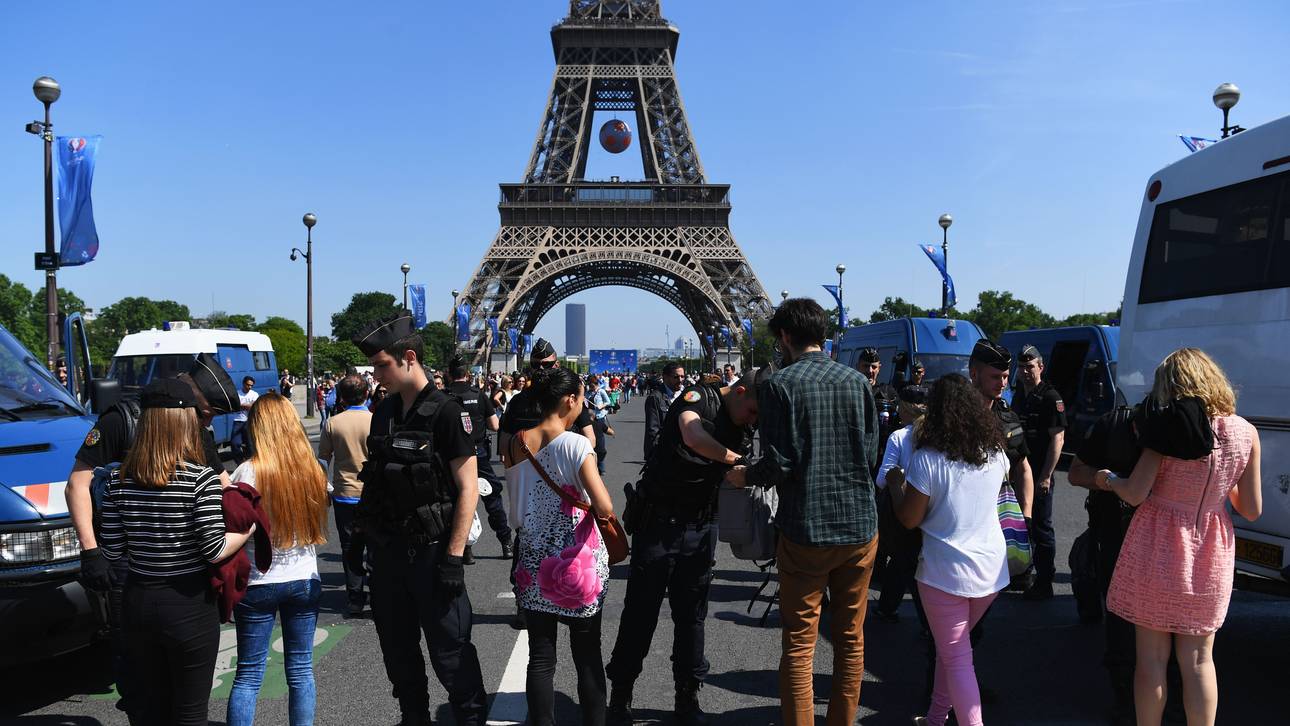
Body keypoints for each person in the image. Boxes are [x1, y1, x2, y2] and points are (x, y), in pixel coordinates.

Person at [735, 298, 879, 726]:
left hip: (807, 529)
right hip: (859, 526)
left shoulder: (780, 385)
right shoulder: (858, 382)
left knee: (800, 644)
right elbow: (870, 454)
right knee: (851, 640)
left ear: (784, 337)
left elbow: (779, 463)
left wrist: (744, 476)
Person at [1102, 348, 1261, 726]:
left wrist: (1107, 479)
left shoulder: (1169, 429)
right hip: (1211, 548)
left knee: (1152, 660)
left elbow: (1136, 492)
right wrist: (1217, 489)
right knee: (1199, 660)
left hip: (1159, 544)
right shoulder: (1246, 432)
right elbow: (1251, 509)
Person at [344, 311, 486, 726]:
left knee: (451, 655)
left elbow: (468, 487)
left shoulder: (446, 412)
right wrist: (359, 537)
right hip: (389, 555)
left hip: (432, 553)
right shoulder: (384, 413)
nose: (375, 374)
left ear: (408, 357)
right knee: (399, 653)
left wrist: (454, 557)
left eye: (381, 365)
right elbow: (376, 479)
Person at [68, 373, 232, 723]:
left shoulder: (116, 481)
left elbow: (113, 548)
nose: (206, 421)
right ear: (186, 417)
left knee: (148, 706)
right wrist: (246, 529)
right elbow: (213, 548)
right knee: (188, 711)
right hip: (189, 602)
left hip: (137, 598)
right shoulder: (197, 479)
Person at [607, 370, 760, 726]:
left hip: (700, 526)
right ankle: (621, 695)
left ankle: (687, 695)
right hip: (659, 525)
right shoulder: (697, 397)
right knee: (639, 615)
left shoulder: (744, 424)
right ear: (739, 392)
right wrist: (734, 460)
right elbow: (692, 435)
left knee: (691, 619)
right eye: (752, 411)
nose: (752, 420)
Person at [887, 374, 1011, 726]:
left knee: (956, 656)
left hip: (945, 573)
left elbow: (909, 519)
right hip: (991, 571)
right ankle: (936, 717)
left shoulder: (926, 460)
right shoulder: (996, 454)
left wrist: (896, 483)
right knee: (952, 648)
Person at [502, 367, 615, 726]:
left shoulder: (517, 441)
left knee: (541, 657)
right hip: (575, 561)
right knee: (586, 655)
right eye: (581, 397)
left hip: (531, 557)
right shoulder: (577, 444)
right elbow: (605, 506)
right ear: (570, 399)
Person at [1069, 402, 1185, 725]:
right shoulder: (1112, 424)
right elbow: (1075, 473)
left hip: (1164, 543)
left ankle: (1171, 703)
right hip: (1115, 535)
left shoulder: (1179, 430)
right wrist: (1107, 481)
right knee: (1120, 619)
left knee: (1168, 623)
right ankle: (1124, 699)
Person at [227, 393, 329, 725]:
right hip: (303, 576)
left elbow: (233, 526)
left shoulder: (247, 471)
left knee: (249, 674)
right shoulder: (311, 468)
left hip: (259, 579)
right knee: (301, 669)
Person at [1012, 345, 1067, 600]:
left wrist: (1045, 476)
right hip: (1018, 474)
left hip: (1039, 475)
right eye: (1021, 367)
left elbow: (1058, 441)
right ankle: (1023, 574)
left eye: (1030, 367)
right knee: (1020, 526)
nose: (1025, 372)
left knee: (1041, 529)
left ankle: (1045, 582)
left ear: (1040, 367)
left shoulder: (1050, 397)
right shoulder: (1019, 396)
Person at [445, 356, 513, 558]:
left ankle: (465, 548)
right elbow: (494, 425)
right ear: (467, 374)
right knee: (492, 498)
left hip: (453, 455)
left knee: (457, 500)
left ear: (449, 374)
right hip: (479, 454)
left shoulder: (443, 396)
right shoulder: (479, 395)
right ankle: (505, 541)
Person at [318, 374, 374, 616]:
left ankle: (355, 598)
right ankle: (380, 593)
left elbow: (322, 460)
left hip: (344, 493)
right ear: (367, 393)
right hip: (373, 494)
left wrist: (325, 487)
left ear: (341, 397)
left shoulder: (333, 423)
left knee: (350, 548)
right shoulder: (376, 420)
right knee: (376, 546)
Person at [873, 383, 929, 622]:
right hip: (934, 507)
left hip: (904, 505)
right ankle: (889, 607)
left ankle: (926, 620)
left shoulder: (899, 436)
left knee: (904, 557)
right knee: (909, 559)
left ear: (904, 409)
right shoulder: (940, 434)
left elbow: (883, 477)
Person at [858, 347, 900, 448]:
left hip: (880, 448)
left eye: (873, 367)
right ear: (858, 366)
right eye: (866, 366)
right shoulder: (850, 390)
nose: (869, 370)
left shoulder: (888, 393)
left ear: (879, 368)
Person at [644, 362, 685, 459]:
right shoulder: (655, 397)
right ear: (665, 377)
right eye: (676, 377)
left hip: (683, 451)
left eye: (682, 376)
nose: (680, 380)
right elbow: (653, 430)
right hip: (665, 452)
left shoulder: (686, 395)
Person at [586, 375, 612, 474]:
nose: (590, 387)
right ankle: (592, 466)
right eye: (589, 385)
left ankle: (601, 465)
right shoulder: (587, 393)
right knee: (590, 441)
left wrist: (602, 406)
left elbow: (608, 401)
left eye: (592, 385)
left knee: (600, 441)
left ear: (596, 384)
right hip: (590, 418)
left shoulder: (601, 391)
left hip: (599, 418)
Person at [231, 375, 260, 463]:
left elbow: (255, 406)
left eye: (251, 385)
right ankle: (239, 463)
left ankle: (252, 462)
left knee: (250, 445)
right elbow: (234, 406)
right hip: (238, 421)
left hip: (249, 421)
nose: (249, 387)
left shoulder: (254, 394)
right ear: (243, 384)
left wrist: (242, 405)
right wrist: (246, 405)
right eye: (248, 385)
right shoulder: (237, 394)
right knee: (235, 443)